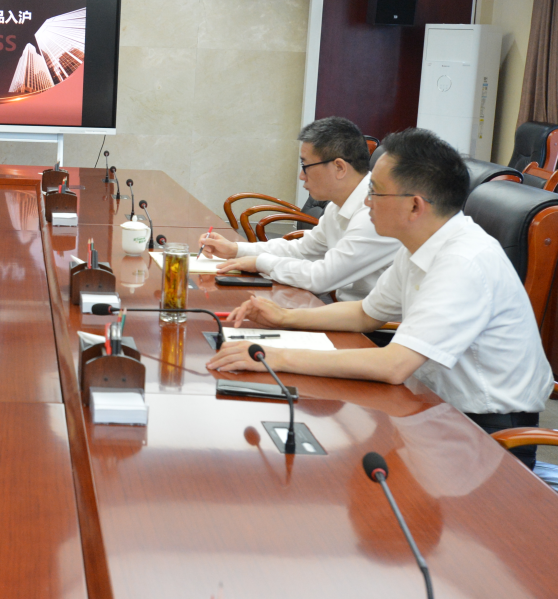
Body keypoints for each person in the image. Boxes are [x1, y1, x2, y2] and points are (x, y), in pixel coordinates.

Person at [207, 128, 554, 469]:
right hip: (431, 404)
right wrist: (284, 318)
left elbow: (393, 365)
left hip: (486, 432)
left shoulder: (463, 261)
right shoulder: (420, 242)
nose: (366, 201)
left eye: (375, 192)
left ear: (415, 205)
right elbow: (365, 314)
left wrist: (274, 356)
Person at [200, 117, 399, 302]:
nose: (301, 176)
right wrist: (235, 250)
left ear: (339, 167)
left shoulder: (374, 212)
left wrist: (259, 262)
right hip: (345, 311)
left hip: (373, 324)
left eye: (306, 165)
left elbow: (321, 278)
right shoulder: (337, 206)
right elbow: (302, 250)